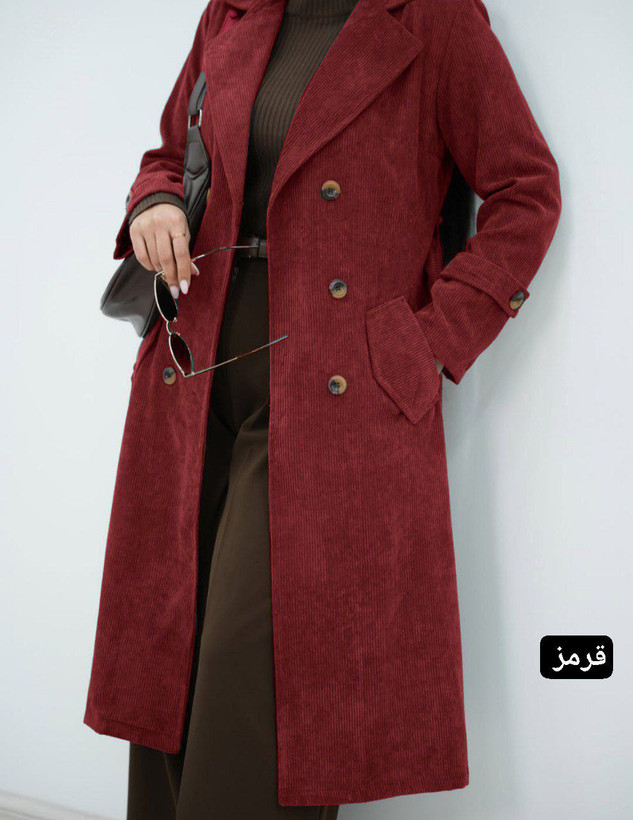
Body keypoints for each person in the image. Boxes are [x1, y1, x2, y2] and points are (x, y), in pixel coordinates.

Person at [84, 0, 562, 817]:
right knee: (174, 659)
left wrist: (425, 343)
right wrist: (152, 204)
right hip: (194, 359)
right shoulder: (231, 11)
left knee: (256, 676)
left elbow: (526, 192)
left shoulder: (435, 20)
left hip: (338, 387)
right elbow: (169, 153)